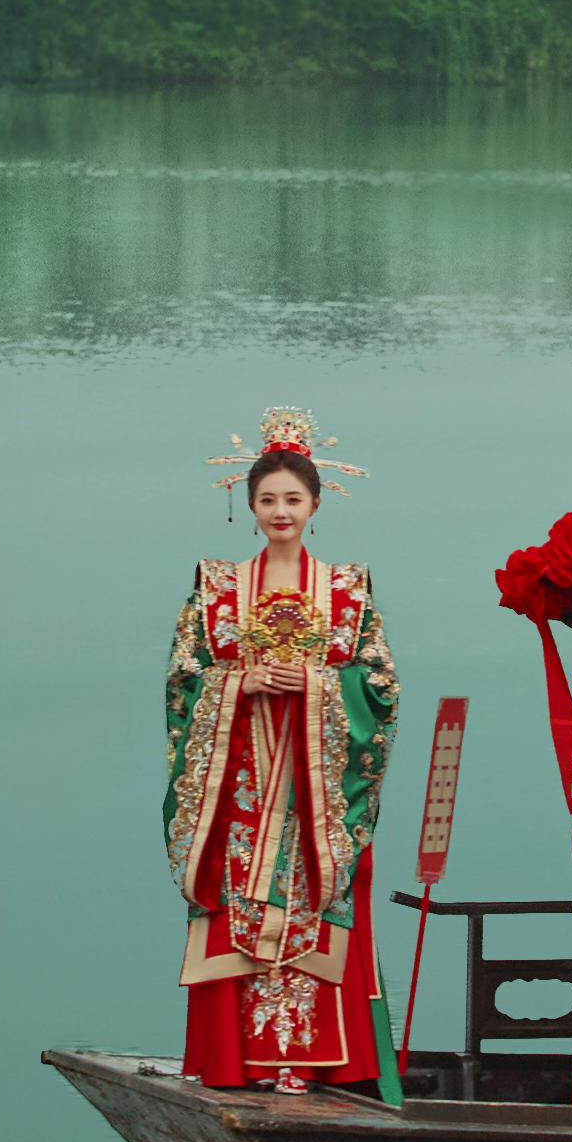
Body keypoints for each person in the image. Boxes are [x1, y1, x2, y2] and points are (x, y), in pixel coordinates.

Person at [168, 410, 400, 1092]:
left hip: (314, 782)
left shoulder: (349, 590)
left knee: (307, 894)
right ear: (249, 505)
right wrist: (240, 681)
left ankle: (304, 1059)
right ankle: (237, 1059)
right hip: (239, 774)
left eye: (292, 499)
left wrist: (322, 684)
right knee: (241, 894)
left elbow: (381, 685)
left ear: (316, 504)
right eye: (267, 499)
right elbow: (184, 679)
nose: (280, 511)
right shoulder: (215, 586)